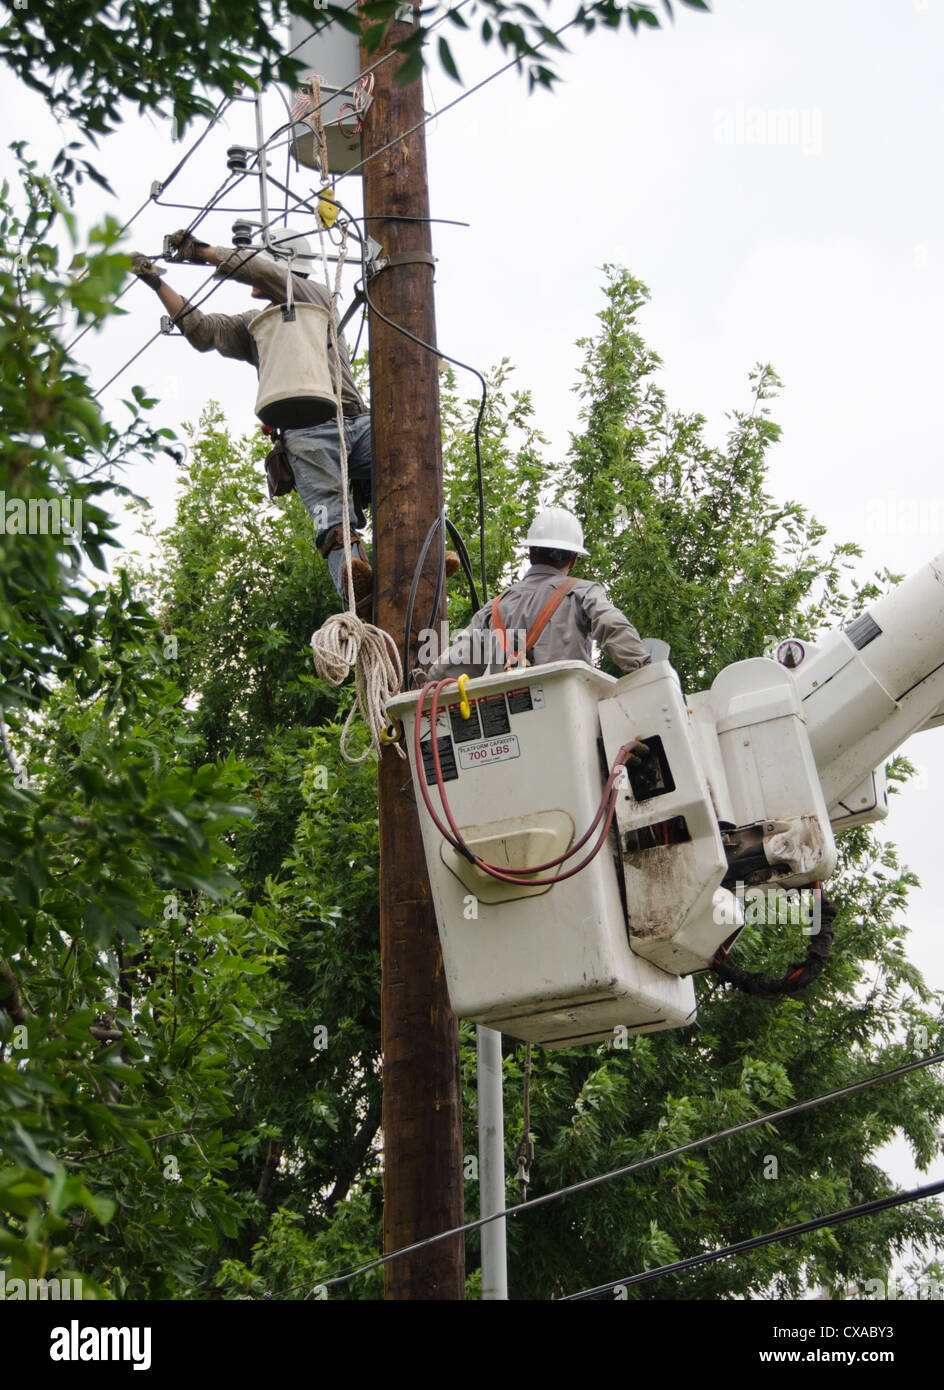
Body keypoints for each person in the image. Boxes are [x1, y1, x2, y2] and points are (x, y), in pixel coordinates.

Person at [131, 226, 377, 609]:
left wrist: (204, 251)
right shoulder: (255, 325)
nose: (254, 281)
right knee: (333, 520)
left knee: (410, 452)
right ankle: (358, 587)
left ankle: (425, 562)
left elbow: (265, 274)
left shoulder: (318, 298)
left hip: (356, 424)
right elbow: (202, 331)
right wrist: (156, 283)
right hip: (306, 437)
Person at [420, 505, 652, 682]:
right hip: (569, 723)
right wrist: (648, 673)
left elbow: (453, 663)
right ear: (573, 559)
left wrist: (423, 684)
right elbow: (613, 625)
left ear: (530, 554)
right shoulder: (582, 593)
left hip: (510, 733)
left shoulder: (493, 609)